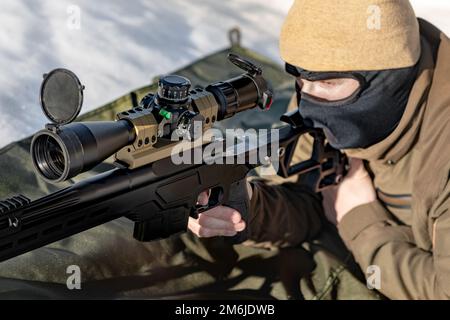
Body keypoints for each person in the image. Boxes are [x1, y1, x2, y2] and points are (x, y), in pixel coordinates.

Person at [188, 0, 450, 299]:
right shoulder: (320, 92)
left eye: (328, 82)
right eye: (299, 79)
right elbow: (304, 202)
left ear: (387, 79)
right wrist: (247, 205)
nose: (307, 102)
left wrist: (360, 222)